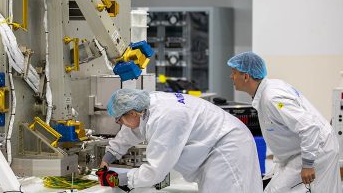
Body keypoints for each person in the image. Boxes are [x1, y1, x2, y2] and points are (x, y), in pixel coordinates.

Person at [98, 88, 263, 192]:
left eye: (119, 120)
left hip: (227, 148)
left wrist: (119, 179)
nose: (120, 125)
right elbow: (131, 130)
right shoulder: (149, 104)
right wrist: (108, 157)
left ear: (132, 113)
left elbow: (156, 170)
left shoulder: (165, 117)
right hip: (218, 144)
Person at [227, 51, 341, 193]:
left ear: (246, 76)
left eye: (234, 72)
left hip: (316, 150)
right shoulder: (267, 91)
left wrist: (308, 164)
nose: (231, 77)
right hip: (301, 151)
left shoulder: (273, 98)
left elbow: (309, 127)